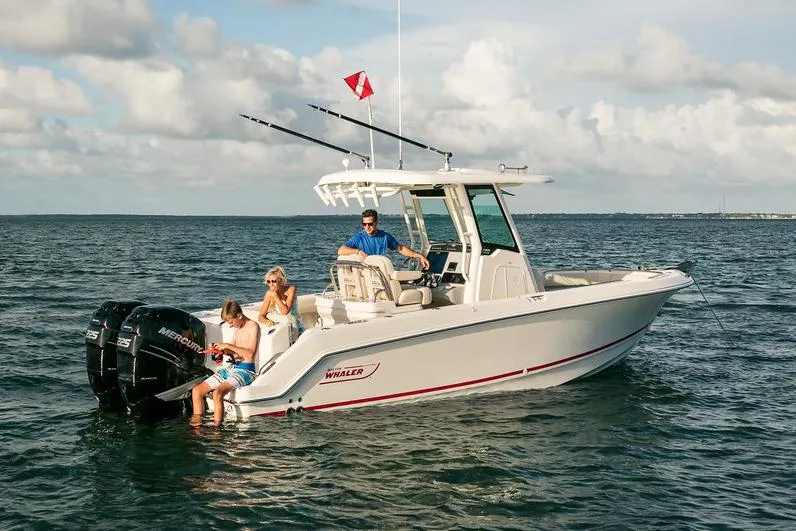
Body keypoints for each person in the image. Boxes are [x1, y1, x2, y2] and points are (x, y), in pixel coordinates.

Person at [191, 299, 260, 426]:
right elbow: (233, 352)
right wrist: (220, 349)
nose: (231, 325)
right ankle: (197, 427)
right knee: (197, 390)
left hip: (246, 370)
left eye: (231, 322)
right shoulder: (238, 327)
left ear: (239, 315)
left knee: (217, 392)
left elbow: (249, 354)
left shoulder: (253, 326)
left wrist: (227, 345)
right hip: (233, 367)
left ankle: (217, 430)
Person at [338, 209, 430, 270]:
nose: (367, 227)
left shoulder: (385, 236)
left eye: (370, 224)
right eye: (364, 224)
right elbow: (341, 250)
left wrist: (419, 256)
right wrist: (358, 252)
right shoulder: (359, 237)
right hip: (367, 272)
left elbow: (400, 249)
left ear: (376, 222)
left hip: (380, 271)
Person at [258, 266, 304, 337]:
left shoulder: (291, 289)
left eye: (274, 281)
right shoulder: (269, 294)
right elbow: (261, 316)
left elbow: (285, 312)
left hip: (295, 327)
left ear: (281, 281)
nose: (271, 284)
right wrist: (267, 321)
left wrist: (275, 296)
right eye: (268, 282)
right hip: (280, 327)